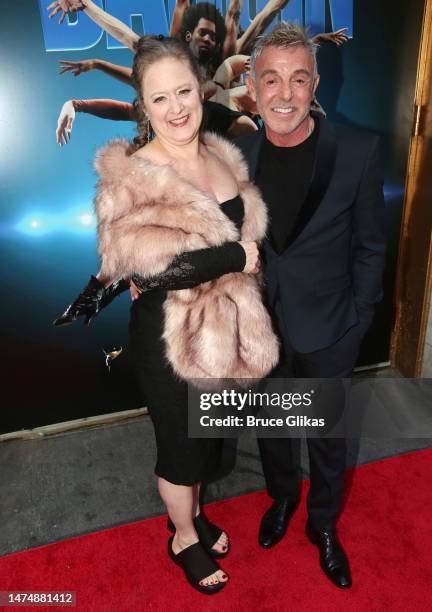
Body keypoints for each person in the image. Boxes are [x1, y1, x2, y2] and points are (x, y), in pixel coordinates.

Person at [55, 35, 279, 594]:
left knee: (206, 442)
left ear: (202, 90)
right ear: (143, 106)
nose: (177, 108)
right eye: (161, 99)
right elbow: (147, 273)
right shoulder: (130, 176)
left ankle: (195, 515)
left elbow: (242, 232)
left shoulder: (222, 153)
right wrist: (233, 256)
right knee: (180, 450)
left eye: (184, 92)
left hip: (223, 333)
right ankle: (182, 536)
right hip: (168, 337)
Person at [234, 22, 386, 588]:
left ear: (316, 83)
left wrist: (357, 321)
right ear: (252, 85)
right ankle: (279, 501)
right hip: (262, 331)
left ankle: (323, 525)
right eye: (270, 79)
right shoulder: (237, 156)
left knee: (326, 439)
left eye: (299, 78)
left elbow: (370, 246)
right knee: (272, 430)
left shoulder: (357, 150)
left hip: (329, 330)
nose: (285, 93)